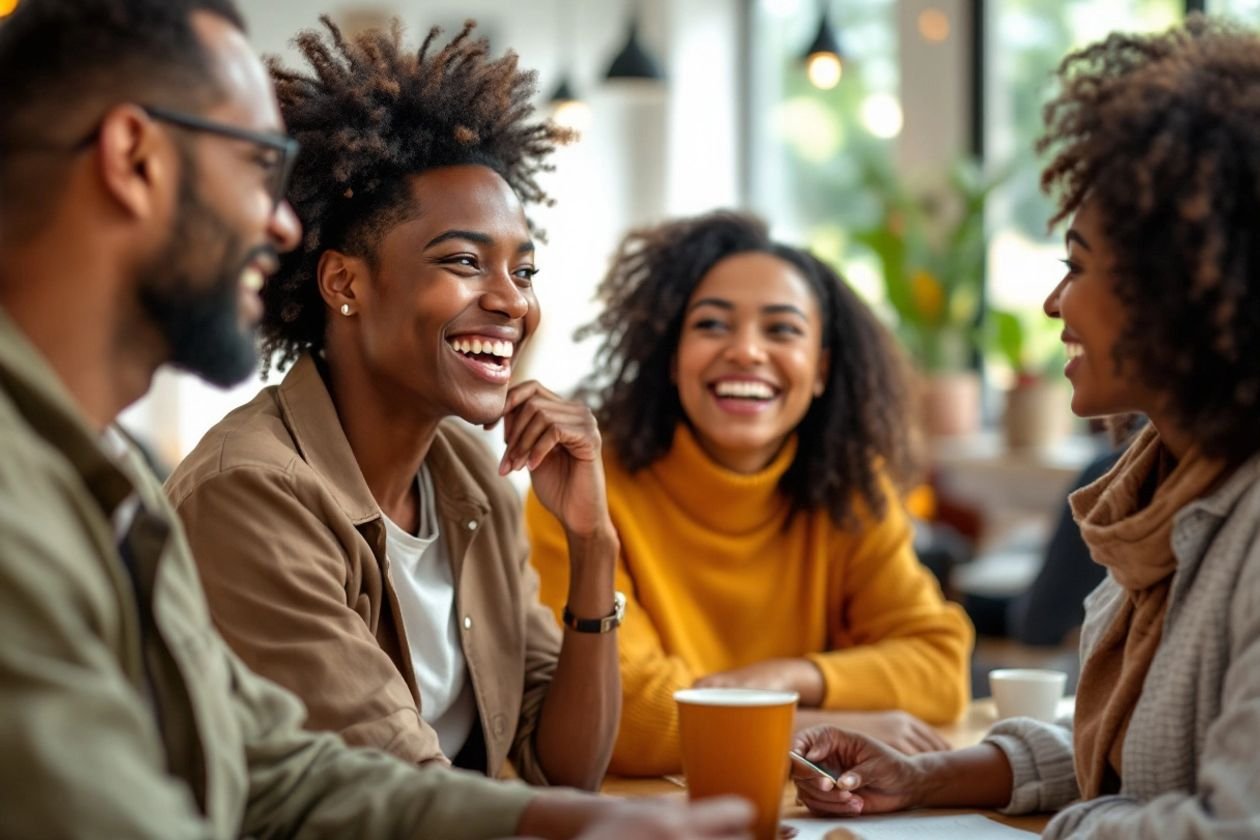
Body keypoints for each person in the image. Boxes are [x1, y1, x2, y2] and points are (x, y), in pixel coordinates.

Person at [0, 1, 750, 837]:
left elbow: (281, 769)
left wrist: (566, 820)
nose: (279, 220)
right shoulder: (171, 492)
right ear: (134, 159)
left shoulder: (112, 475)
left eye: (522, 268)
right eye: (255, 166)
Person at [790, 16, 1260, 837]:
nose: (1052, 304)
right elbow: (1126, 748)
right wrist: (928, 777)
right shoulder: (1162, 494)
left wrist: (1077, 822)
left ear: (1174, 290)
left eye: (1076, 266)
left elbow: (1226, 824)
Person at [164, 17, 620, 789]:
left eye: (524, 271)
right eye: (466, 262)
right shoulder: (252, 492)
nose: (510, 301)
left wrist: (593, 546)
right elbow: (403, 798)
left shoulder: (471, 482)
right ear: (344, 284)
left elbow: (563, 765)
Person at [527, 211, 974, 776]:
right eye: (712, 325)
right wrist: (816, 725)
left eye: (781, 329)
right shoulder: (582, 489)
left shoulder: (848, 490)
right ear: (672, 358)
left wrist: (788, 677)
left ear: (819, 371)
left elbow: (940, 667)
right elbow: (628, 716)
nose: (745, 351)